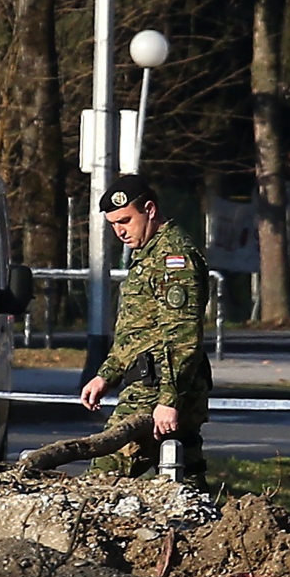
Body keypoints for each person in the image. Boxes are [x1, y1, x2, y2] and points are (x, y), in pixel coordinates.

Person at [78, 174, 211, 488]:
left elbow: (182, 335)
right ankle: (205, 531)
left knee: (104, 477)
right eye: (113, 224)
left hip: (156, 390)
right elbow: (137, 329)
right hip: (158, 385)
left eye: (125, 220)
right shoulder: (148, 253)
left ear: (150, 210)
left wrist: (168, 400)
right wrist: (107, 374)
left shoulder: (173, 258)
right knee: (185, 482)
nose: (119, 231)